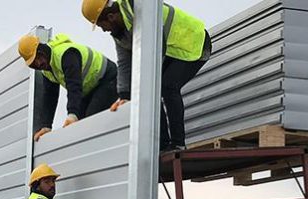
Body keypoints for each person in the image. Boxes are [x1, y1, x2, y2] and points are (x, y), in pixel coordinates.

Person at [81, 0, 212, 151]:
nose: (104, 30)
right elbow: (124, 63)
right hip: (172, 50)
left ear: (111, 17)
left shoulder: (141, 10)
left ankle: (178, 144)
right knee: (151, 90)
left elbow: (158, 46)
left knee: (167, 87)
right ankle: (162, 145)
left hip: (194, 42)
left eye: (101, 25)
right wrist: (124, 95)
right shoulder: (120, 32)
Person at [18, 33, 118, 142]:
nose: (39, 63)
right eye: (33, 63)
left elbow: (74, 85)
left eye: (39, 57)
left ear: (43, 49)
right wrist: (46, 126)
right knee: (76, 129)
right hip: (89, 91)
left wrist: (72, 114)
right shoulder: (47, 71)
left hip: (107, 79)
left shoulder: (66, 54)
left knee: (89, 123)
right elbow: (49, 98)